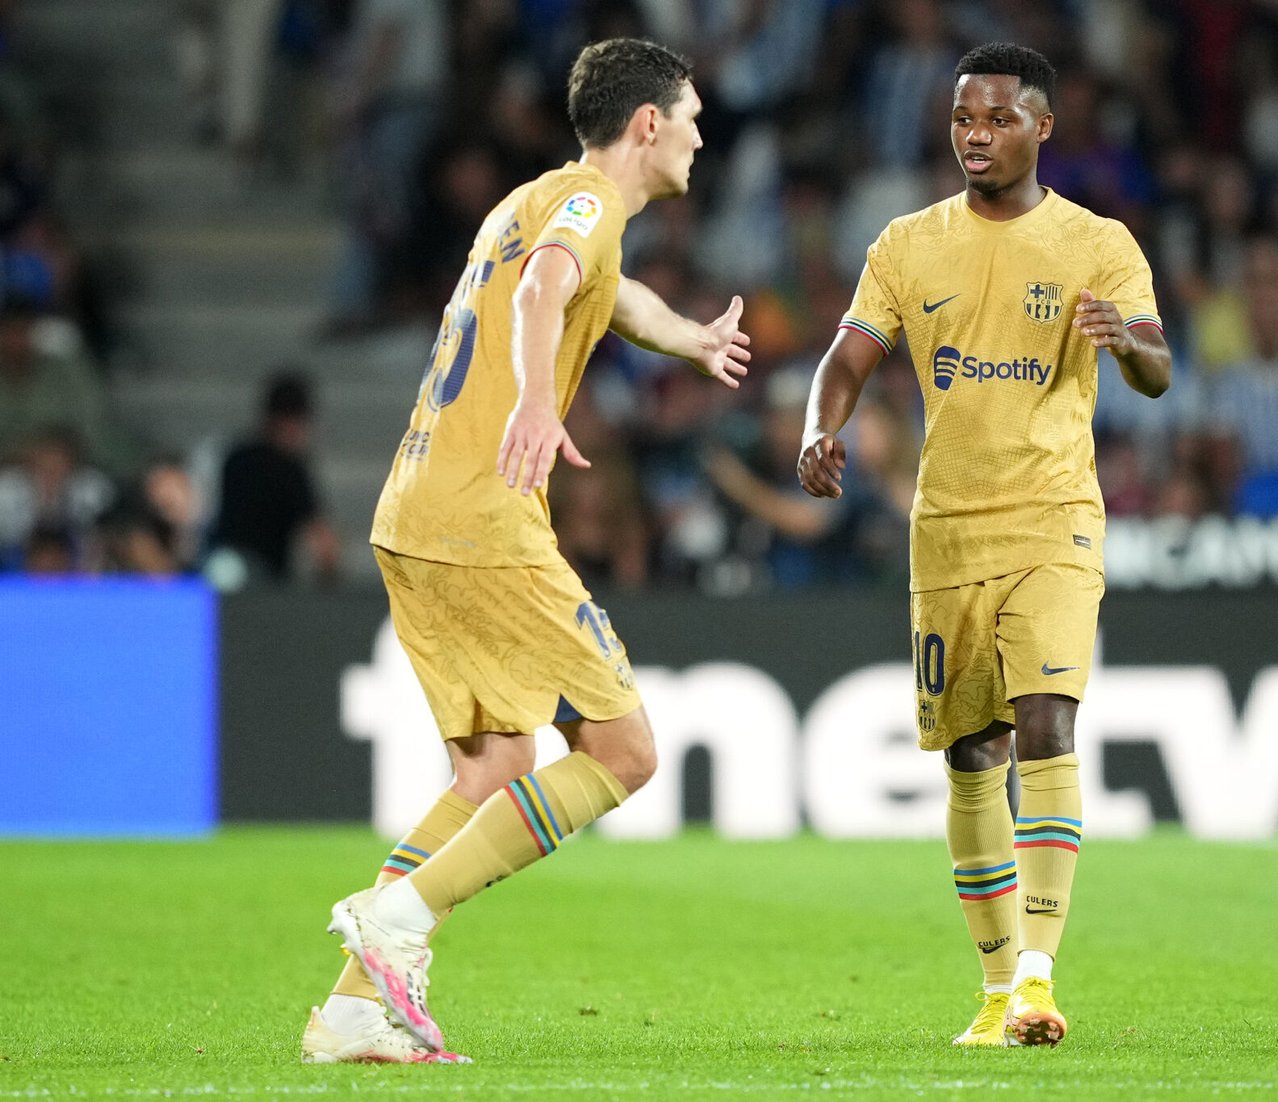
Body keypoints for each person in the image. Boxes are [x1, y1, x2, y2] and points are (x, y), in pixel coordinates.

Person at [304, 38, 750, 1065]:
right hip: (481, 515)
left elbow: (599, 288)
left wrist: (683, 335)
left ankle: (357, 1008)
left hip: (415, 510)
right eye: (687, 116)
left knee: (496, 766)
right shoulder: (584, 211)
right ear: (647, 125)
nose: (697, 134)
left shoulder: (537, 196)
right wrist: (543, 405)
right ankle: (401, 914)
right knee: (624, 753)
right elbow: (545, 289)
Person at [797, 43, 1169, 1048]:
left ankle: (1041, 977)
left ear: (1042, 124)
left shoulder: (1097, 243)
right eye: (963, 117)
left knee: (1045, 722)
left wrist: (1123, 341)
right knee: (974, 754)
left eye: (997, 117)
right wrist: (817, 426)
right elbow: (847, 356)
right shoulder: (908, 245)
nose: (974, 133)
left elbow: (1157, 368)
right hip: (947, 532)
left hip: (1054, 517)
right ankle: (998, 988)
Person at [208, 371, 341, 586]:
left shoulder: (234, 458)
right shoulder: (290, 469)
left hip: (221, 566)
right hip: (260, 580)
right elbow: (321, 542)